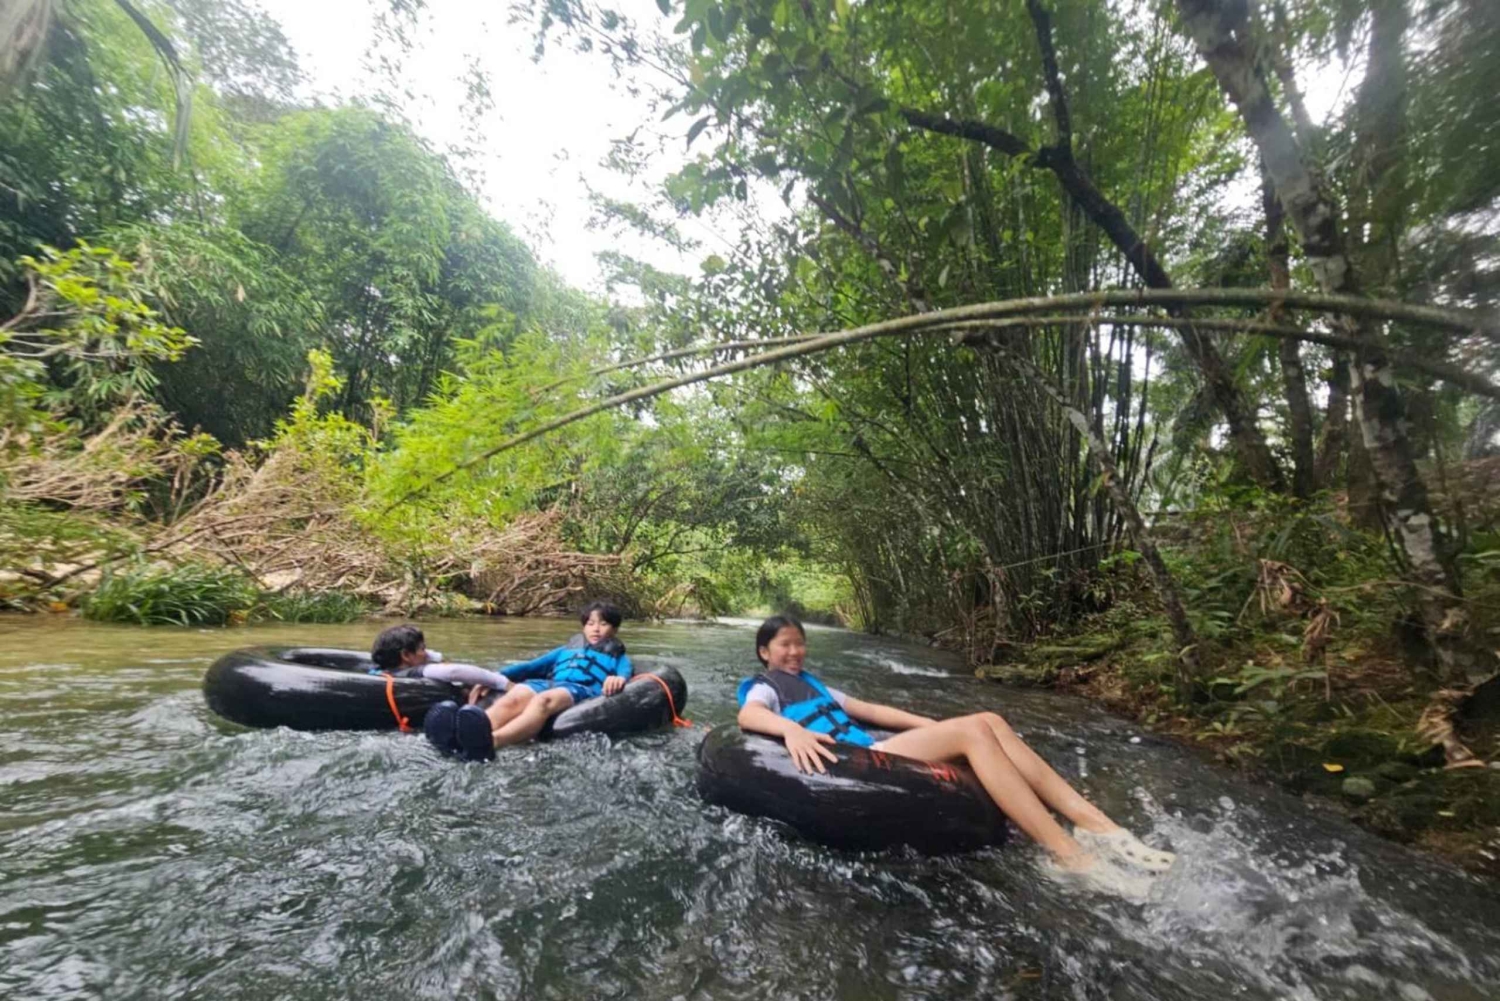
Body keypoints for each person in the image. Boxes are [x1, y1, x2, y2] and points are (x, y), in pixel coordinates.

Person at [737, 614, 1175, 881]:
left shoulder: (814, 684)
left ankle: (1095, 823)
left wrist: (932, 723)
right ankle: (1067, 854)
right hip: (853, 764)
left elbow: (871, 709)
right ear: (765, 652)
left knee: (988, 721)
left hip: (872, 750)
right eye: (785, 645)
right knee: (973, 733)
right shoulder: (764, 687)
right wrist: (791, 732)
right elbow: (748, 716)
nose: (796, 650)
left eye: (799, 642)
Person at [424, 601, 633, 762]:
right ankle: (464, 735)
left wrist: (618, 678)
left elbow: (625, 673)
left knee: (544, 701)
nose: (596, 629)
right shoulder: (566, 650)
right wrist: (492, 678)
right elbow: (530, 667)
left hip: (579, 689)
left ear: (613, 630)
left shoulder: (617, 656)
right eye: (590, 623)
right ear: (584, 627)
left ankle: (492, 741)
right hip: (550, 683)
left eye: (603, 624)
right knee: (516, 695)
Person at [370, 623, 514, 694]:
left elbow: (434, 659)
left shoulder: (381, 671)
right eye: (422, 649)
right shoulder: (420, 671)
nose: (426, 653)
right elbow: (454, 672)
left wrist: (433, 656)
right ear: (406, 655)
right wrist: (503, 683)